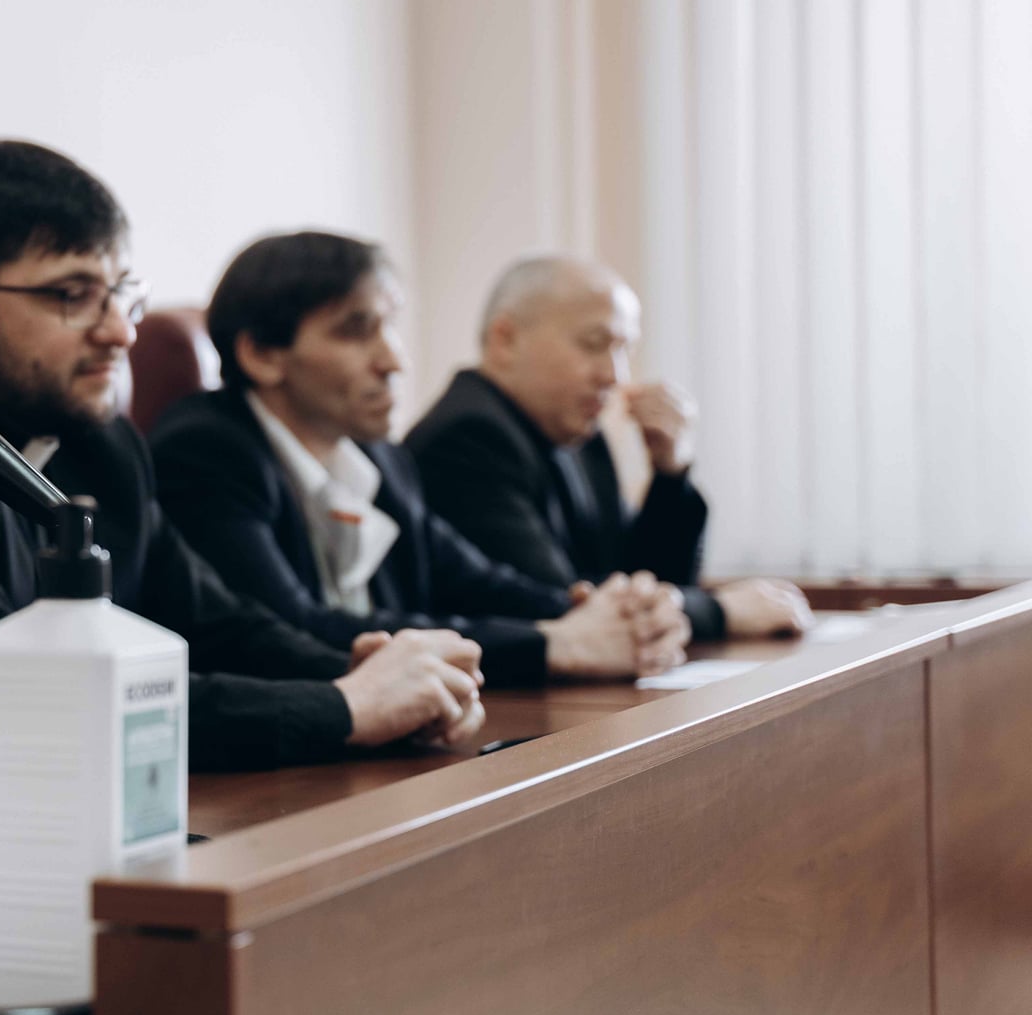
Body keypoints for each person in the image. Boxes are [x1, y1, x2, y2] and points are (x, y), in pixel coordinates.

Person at [0, 141, 485, 779]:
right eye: (74, 295)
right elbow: (44, 710)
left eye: (121, 294)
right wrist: (343, 707)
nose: (120, 332)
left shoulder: (98, 441)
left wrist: (374, 678)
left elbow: (214, 622)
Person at [150, 231, 689, 689]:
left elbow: (471, 580)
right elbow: (290, 631)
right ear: (262, 354)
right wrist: (554, 644)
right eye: (356, 331)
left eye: (390, 326)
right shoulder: (204, 453)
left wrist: (597, 613)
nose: (394, 360)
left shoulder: (380, 458)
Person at [404, 255, 813, 641]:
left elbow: (638, 578)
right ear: (505, 340)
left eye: (623, 350)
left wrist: (670, 476)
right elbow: (564, 606)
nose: (615, 375)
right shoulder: (467, 437)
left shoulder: (575, 435)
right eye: (594, 343)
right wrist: (719, 612)